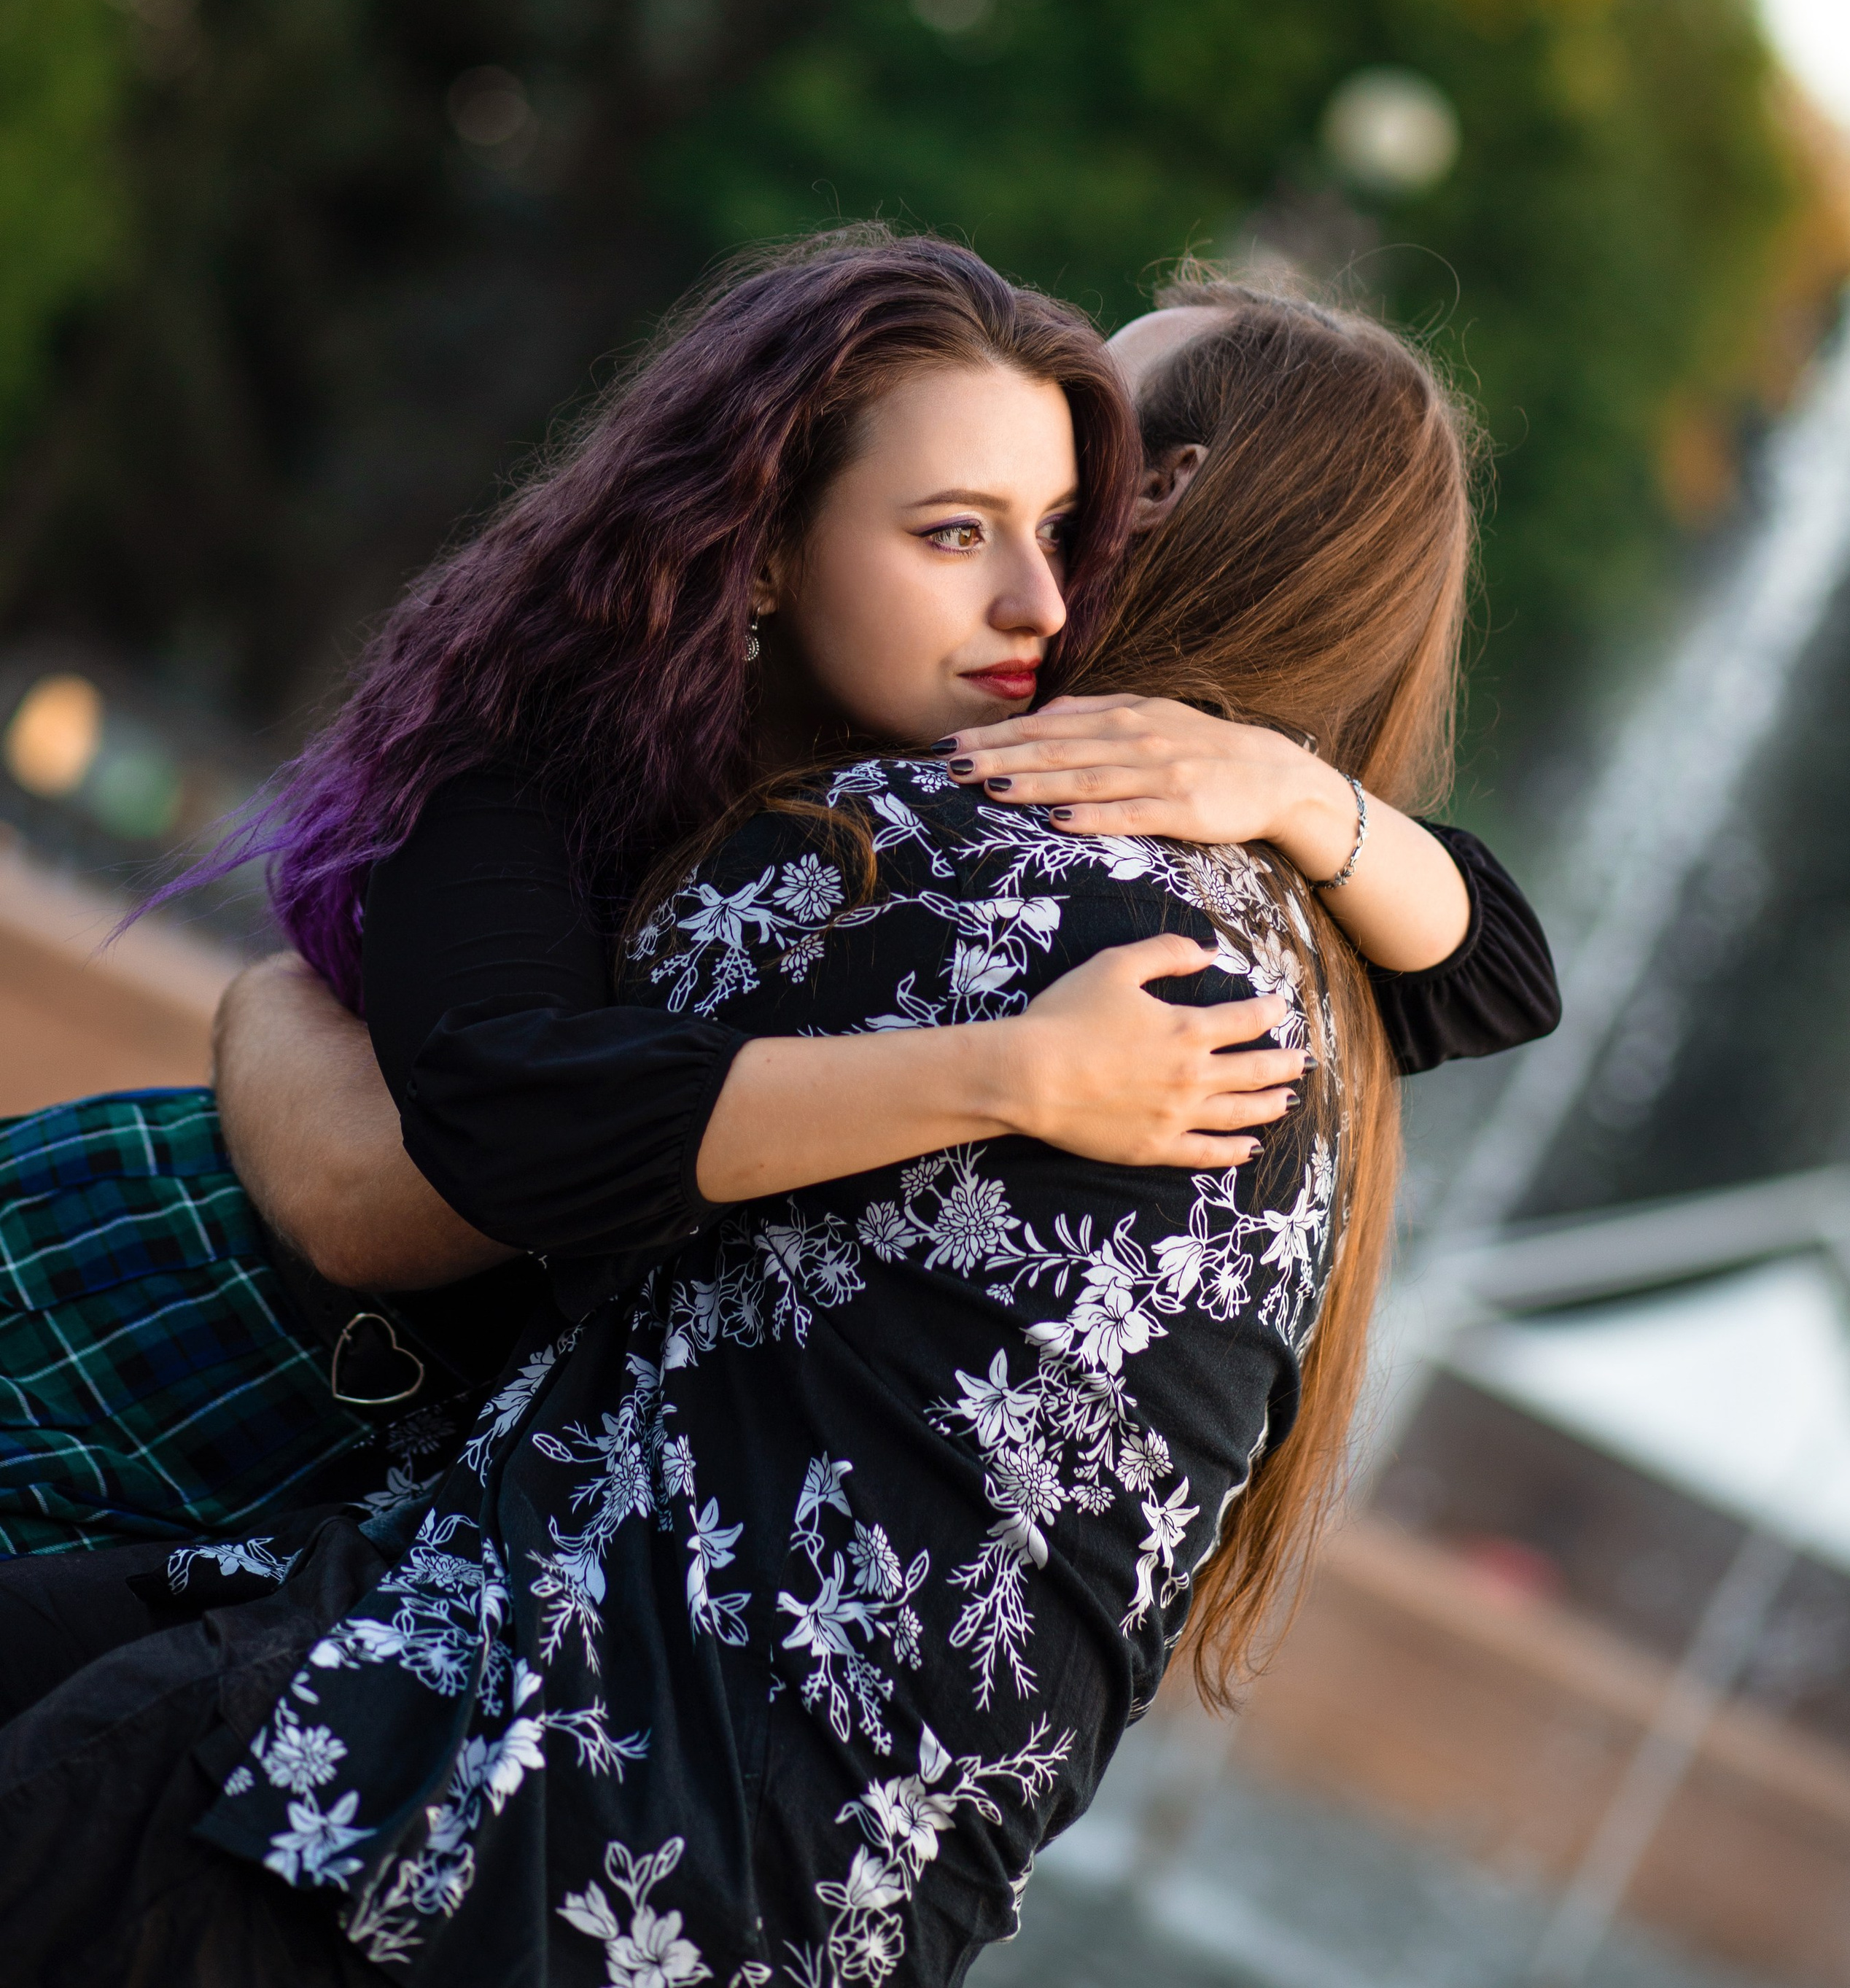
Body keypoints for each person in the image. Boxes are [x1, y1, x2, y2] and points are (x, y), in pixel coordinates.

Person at [0, 258, 1528, 1986]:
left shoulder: (990, 849)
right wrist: (1015, 1063)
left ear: (1160, 509)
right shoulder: (1194, 937)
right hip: (238, 1361)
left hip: (502, 1710)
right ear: (770, 541)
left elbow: (1502, 962)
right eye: (963, 525)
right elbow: (450, 1163)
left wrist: (1304, 792)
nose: (1036, 584)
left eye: (1069, 503)